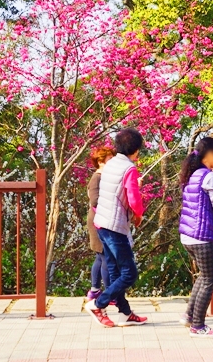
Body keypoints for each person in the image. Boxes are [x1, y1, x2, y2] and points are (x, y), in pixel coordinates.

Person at [86, 128, 147, 327]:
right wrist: (138, 214)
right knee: (129, 273)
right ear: (136, 150)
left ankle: (124, 313)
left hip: (101, 223)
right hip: (114, 226)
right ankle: (98, 304)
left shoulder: (110, 164)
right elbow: (133, 198)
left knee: (114, 270)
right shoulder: (129, 168)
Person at [178, 137, 213, 339]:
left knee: (203, 275)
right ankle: (198, 326)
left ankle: (189, 315)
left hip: (188, 235)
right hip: (203, 235)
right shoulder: (207, 176)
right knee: (210, 278)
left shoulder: (192, 175)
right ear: (210, 155)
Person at [85, 146, 115, 303]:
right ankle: (109, 295)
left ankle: (95, 290)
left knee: (99, 256)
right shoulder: (97, 178)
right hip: (98, 220)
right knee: (105, 257)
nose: (112, 161)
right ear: (100, 161)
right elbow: (95, 200)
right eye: (110, 158)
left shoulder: (105, 177)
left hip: (103, 219)